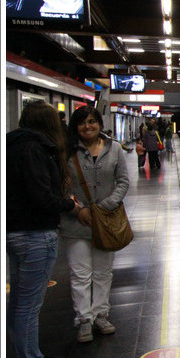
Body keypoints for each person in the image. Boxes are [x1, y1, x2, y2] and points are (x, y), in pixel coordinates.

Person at [6, 100, 79, 358]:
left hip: (15, 231)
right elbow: (41, 196)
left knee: (20, 305)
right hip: (34, 234)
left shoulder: (12, 144)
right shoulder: (36, 149)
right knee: (28, 307)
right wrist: (68, 204)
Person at [61, 106, 130, 343]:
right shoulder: (66, 152)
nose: (87, 126)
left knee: (102, 271)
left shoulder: (115, 149)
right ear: (75, 127)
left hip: (106, 220)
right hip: (76, 222)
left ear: (100, 124)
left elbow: (122, 182)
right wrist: (77, 208)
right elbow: (61, 186)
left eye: (92, 122)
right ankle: (83, 319)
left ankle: (101, 314)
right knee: (80, 273)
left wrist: (104, 206)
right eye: (82, 123)